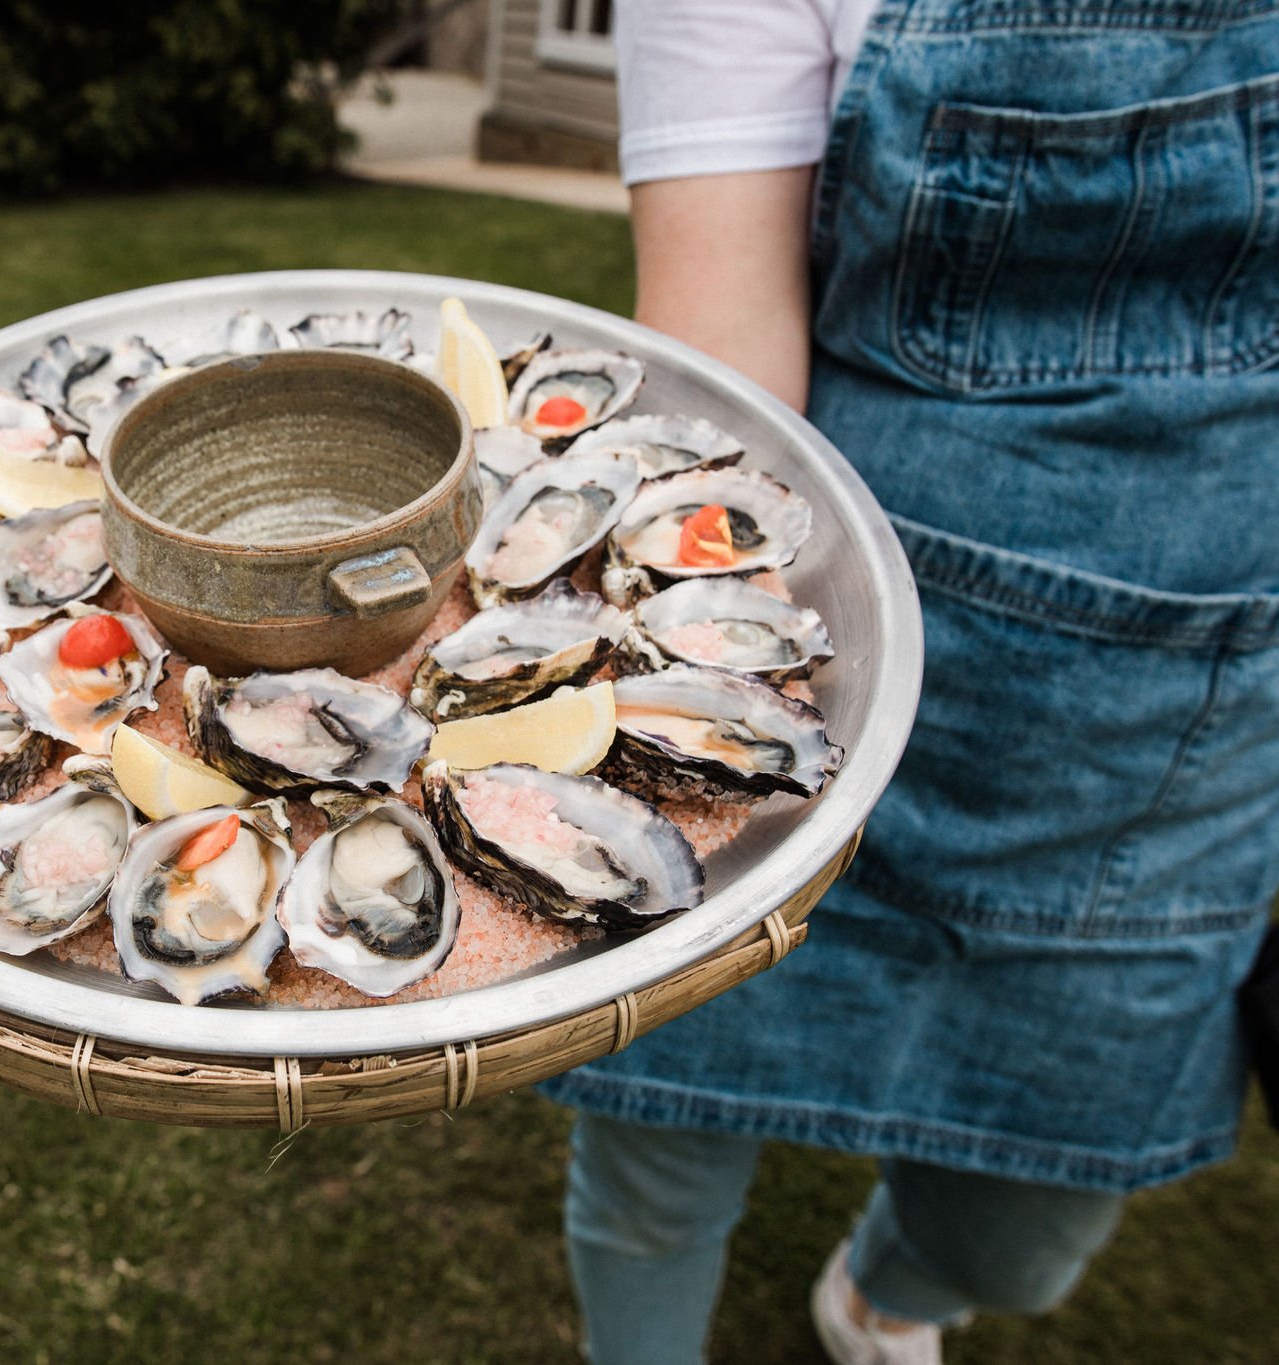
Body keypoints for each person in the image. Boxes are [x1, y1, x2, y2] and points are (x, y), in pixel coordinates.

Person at [537, 2, 1279, 1362]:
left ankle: (890, 1294)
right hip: (814, 685)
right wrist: (694, 697)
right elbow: (727, 365)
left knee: (1026, 1227)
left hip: (1181, 754)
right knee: (661, 1148)